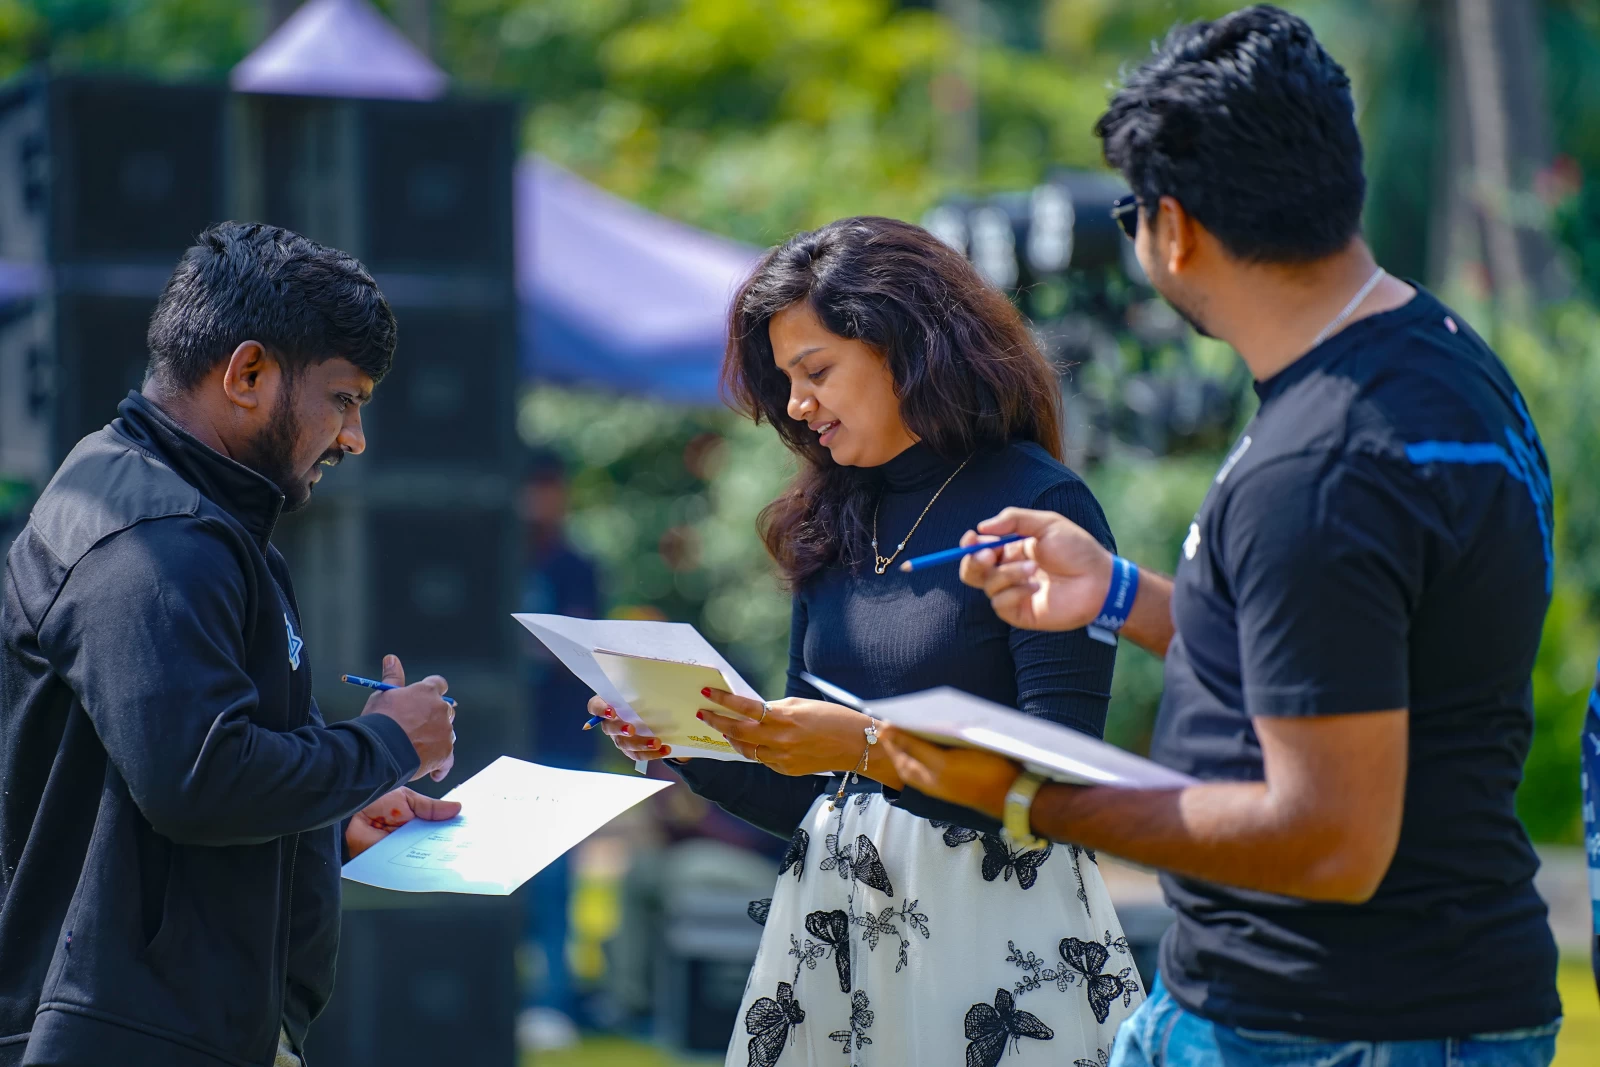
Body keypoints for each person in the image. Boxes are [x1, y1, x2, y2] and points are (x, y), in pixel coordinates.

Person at [877, 7, 1563, 1066]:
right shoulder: (1435, 359)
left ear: (1175, 227)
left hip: (1334, 1025)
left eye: (1127, 212)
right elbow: (1330, 659)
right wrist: (1115, 593)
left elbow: (1329, 838)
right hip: (1371, 1001)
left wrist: (1021, 796)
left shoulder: (1320, 465)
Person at [591, 216, 1141, 1066]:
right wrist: (687, 742)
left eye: (817, 371)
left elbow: (1062, 782)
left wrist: (870, 745)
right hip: (835, 942)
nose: (800, 405)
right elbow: (815, 797)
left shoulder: (1041, 505)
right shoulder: (827, 521)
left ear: (909, 348)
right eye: (787, 381)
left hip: (993, 943)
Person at [0, 222, 461, 1067]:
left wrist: (330, 817)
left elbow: (155, 793)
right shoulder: (151, 533)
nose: (354, 436)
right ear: (248, 373)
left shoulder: (184, 514)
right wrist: (388, 740)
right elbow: (199, 780)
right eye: (346, 398)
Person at [515, 449, 601, 1051]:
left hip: (563, 746)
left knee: (553, 882)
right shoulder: (496, 555)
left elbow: (582, 650)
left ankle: (554, 1001)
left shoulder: (578, 566)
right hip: (504, 744)